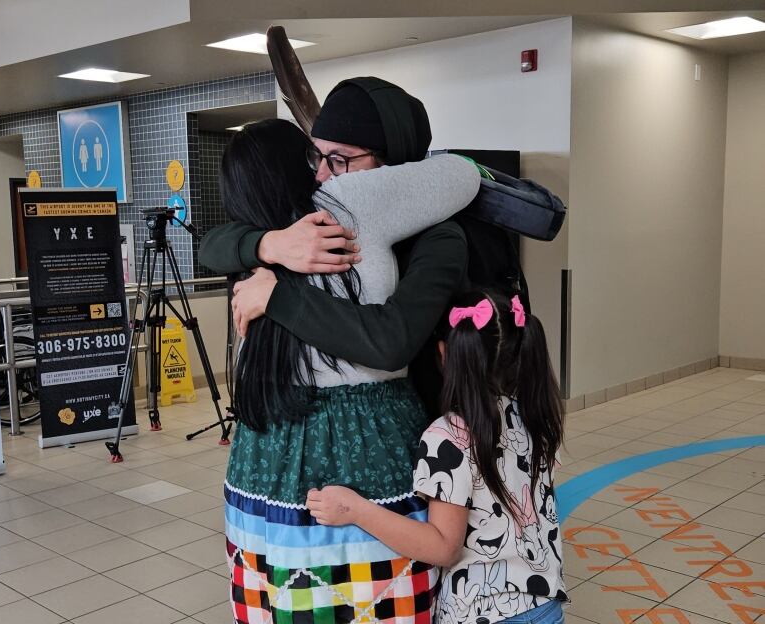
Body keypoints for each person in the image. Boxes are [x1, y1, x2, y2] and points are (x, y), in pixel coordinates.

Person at [221, 116, 481, 624]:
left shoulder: (245, 246)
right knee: (382, 597)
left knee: (278, 602)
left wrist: (266, 246)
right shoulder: (350, 203)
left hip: (264, 447)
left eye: (339, 158)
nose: (326, 170)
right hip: (367, 440)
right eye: (317, 159)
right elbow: (464, 174)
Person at [199, 77, 472, 417]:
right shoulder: (314, 223)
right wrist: (269, 244)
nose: (321, 176)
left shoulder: (441, 237)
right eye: (317, 156)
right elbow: (212, 245)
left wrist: (276, 297)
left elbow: (391, 342)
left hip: (427, 421)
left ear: (394, 164)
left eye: (341, 160)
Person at [306, 290, 569, 624]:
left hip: (483, 614)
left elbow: (444, 545)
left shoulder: (447, 437)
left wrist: (356, 509)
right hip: (545, 607)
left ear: (444, 355)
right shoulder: (536, 415)